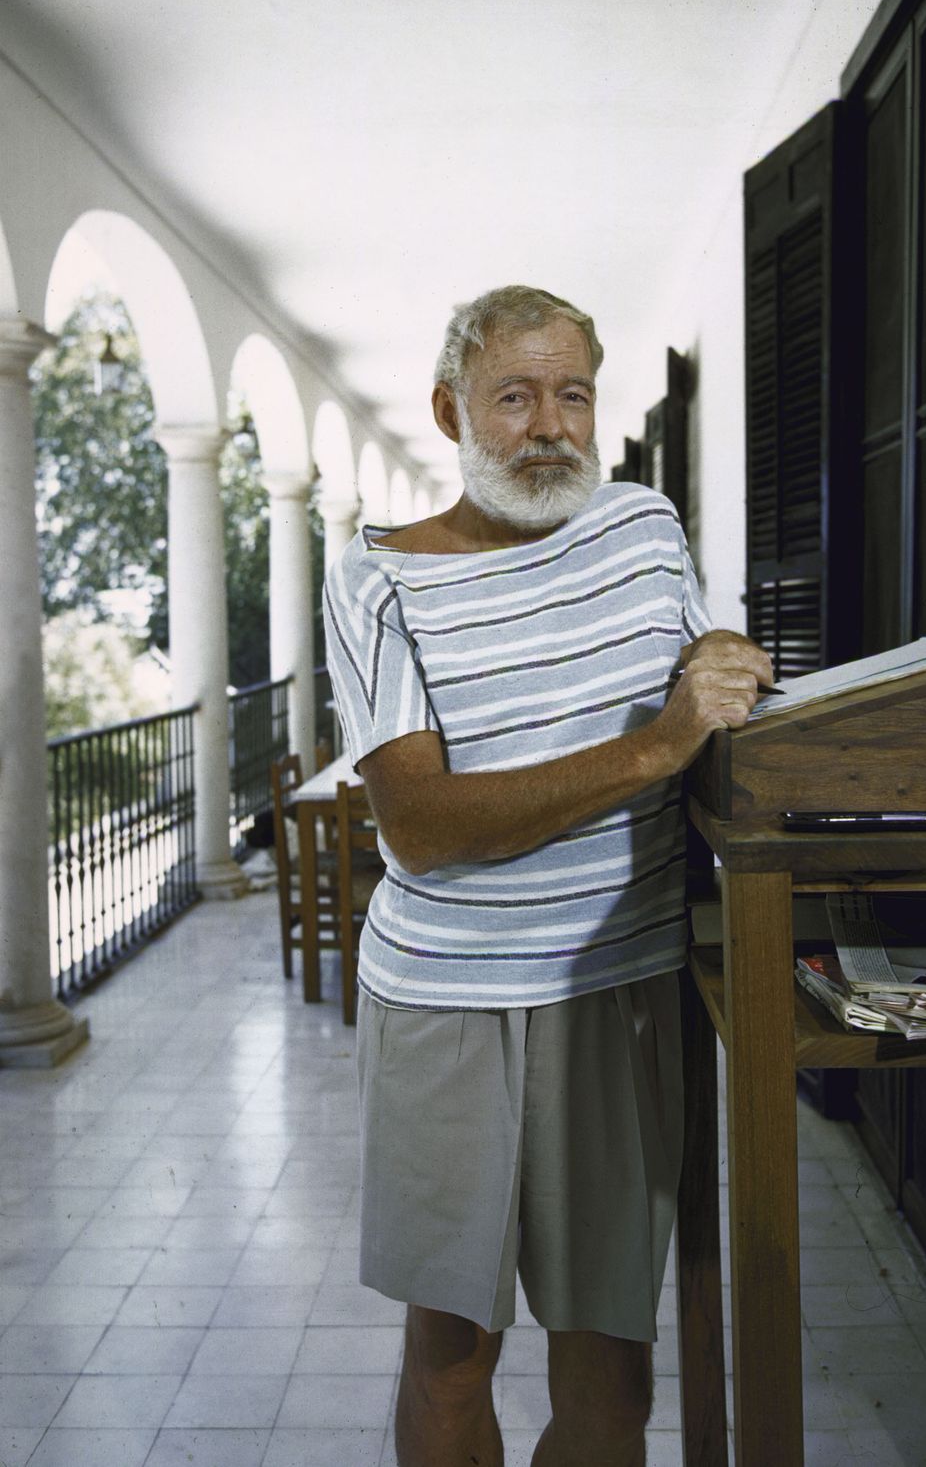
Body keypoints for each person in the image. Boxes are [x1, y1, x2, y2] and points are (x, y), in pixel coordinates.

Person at [324, 285, 772, 1467]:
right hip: (443, 1003)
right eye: (513, 396)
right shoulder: (375, 579)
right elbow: (417, 825)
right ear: (449, 411)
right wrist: (655, 744)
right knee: (450, 1353)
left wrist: (719, 675)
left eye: (570, 393)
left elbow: (700, 690)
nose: (548, 425)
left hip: (618, 989)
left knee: (612, 1371)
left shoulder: (643, 530)